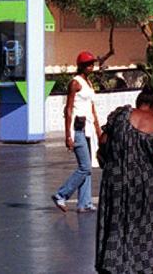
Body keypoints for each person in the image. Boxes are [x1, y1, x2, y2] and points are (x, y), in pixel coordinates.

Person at [95, 88, 153, 274]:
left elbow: (103, 141)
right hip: (142, 181)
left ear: (138, 103)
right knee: (141, 221)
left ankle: (112, 263)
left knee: (115, 219)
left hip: (115, 177)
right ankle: (141, 264)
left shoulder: (120, 114)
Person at [53, 51, 102, 213]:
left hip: (88, 129)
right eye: (88, 64)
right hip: (78, 129)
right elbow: (68, 109)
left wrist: (98, 128)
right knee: (85, 167)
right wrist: (68, 135)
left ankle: (84, 203)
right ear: (81, 66)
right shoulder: (75, 83)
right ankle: (62, 194)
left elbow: (92, 108)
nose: (91, 66)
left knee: (88, 166)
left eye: (92, 63)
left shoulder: (88, 83)